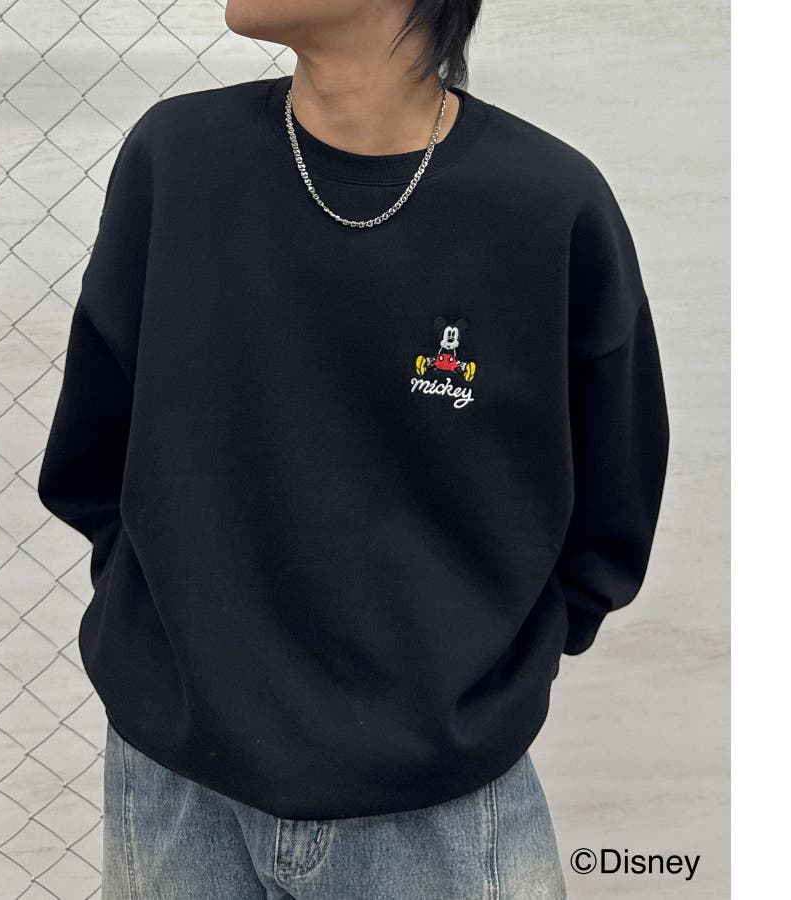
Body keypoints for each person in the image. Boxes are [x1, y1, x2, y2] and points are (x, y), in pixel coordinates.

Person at [37, 0, 669, 896]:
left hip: (437, 808)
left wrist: (465, 678)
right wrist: (173, 631)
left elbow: (615, 495)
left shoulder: (546, 204)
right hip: (175, 785)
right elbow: (94, 448)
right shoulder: (177, 160)